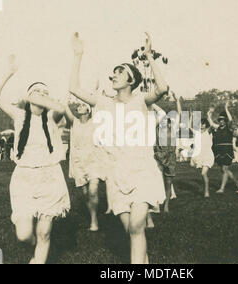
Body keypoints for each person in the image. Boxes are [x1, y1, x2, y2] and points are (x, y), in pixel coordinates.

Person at [69, 32, 168, 264]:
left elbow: (162, 88)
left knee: (136, 226)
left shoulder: (141, 100)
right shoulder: (103, 102)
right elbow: (74, 88)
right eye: (113, 72)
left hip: (142, 170)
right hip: (115, 174)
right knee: (133, 233)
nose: (113, 75)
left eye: (119, 71)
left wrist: (149, 56)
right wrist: (78, 55)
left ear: (131, 80)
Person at [0, 54, 71, 264]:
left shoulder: (53, 117)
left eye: (46, 93)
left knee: (44, 232)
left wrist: (39, 96)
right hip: (24, 177)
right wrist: (10, 71)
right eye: (38, 92)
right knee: (24, 235)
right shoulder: (19, 116)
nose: (42, 96)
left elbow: (61, 108)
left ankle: (39, 259)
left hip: (50, 176)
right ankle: (37, 249)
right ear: (28, 96)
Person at [68, 100, 106, 232]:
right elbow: (65, 110)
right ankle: (92, 217)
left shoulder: (94, 122)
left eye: (84, 105)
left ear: (89, 111)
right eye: (79, 105)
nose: (80, 106)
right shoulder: (74, 123)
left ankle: (94, 221)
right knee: (85, 194)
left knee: (93, 190)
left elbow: (97, 105)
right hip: (79, 162)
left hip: (94, 160)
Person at [152, 91, 181, 213]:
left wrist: (178, 101)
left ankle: (167, 205)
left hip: (170, 157)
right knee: (157, 181)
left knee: (168, 182)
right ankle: (156, 205)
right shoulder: (156, 128)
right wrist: (151, 102)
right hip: (159, 156)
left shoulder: (173, 128)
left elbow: (179, 113)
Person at [208, 102, 238, 194]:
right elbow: (211, 123)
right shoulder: (217, 128)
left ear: (225, 120)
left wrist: (226, 108)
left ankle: (222, 188)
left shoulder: (229, 128)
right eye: (220, 120)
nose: (221, 121)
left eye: (222, 120)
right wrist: (208, 114)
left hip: (227, 151)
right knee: (223, 169)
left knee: (225, 169)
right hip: (218, 151)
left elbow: (231, 120)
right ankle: (236, 182)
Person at [189, 116, 215, 198]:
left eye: (203, 124)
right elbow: (189, 127)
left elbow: (212, 126)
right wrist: (191, 116)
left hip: (207, 155)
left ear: (205, 124)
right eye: (200, 124)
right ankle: (203, 188)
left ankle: (206, 191)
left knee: (203, 173)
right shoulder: (196, 133)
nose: (201, 125)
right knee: (202, 174)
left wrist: (209, 115)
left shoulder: (208, 132)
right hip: (199, 156)